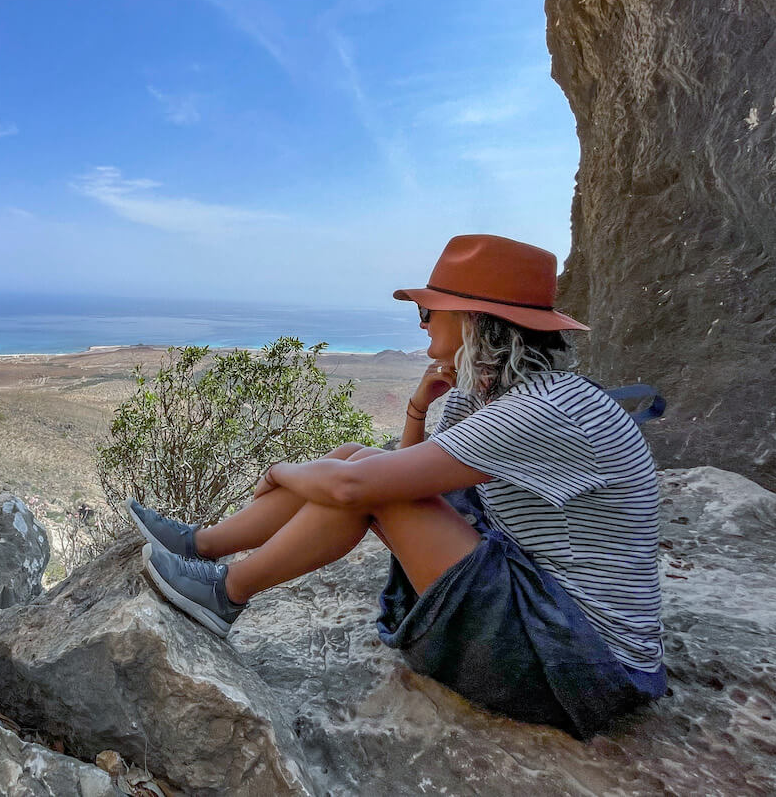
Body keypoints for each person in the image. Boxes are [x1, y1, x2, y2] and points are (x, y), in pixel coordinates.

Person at [129, 234, 666, 739]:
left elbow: (362, 491)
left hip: (580, 661)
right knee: (351, 460)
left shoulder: (545, 411)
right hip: (541, 607)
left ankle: (225, 592)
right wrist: (418, 408)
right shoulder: (488, 399)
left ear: (478, 321)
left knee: (356, 480)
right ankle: (200, 547)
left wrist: (279, 472)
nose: (422, 325)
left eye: (429, 312)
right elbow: (407, 472)